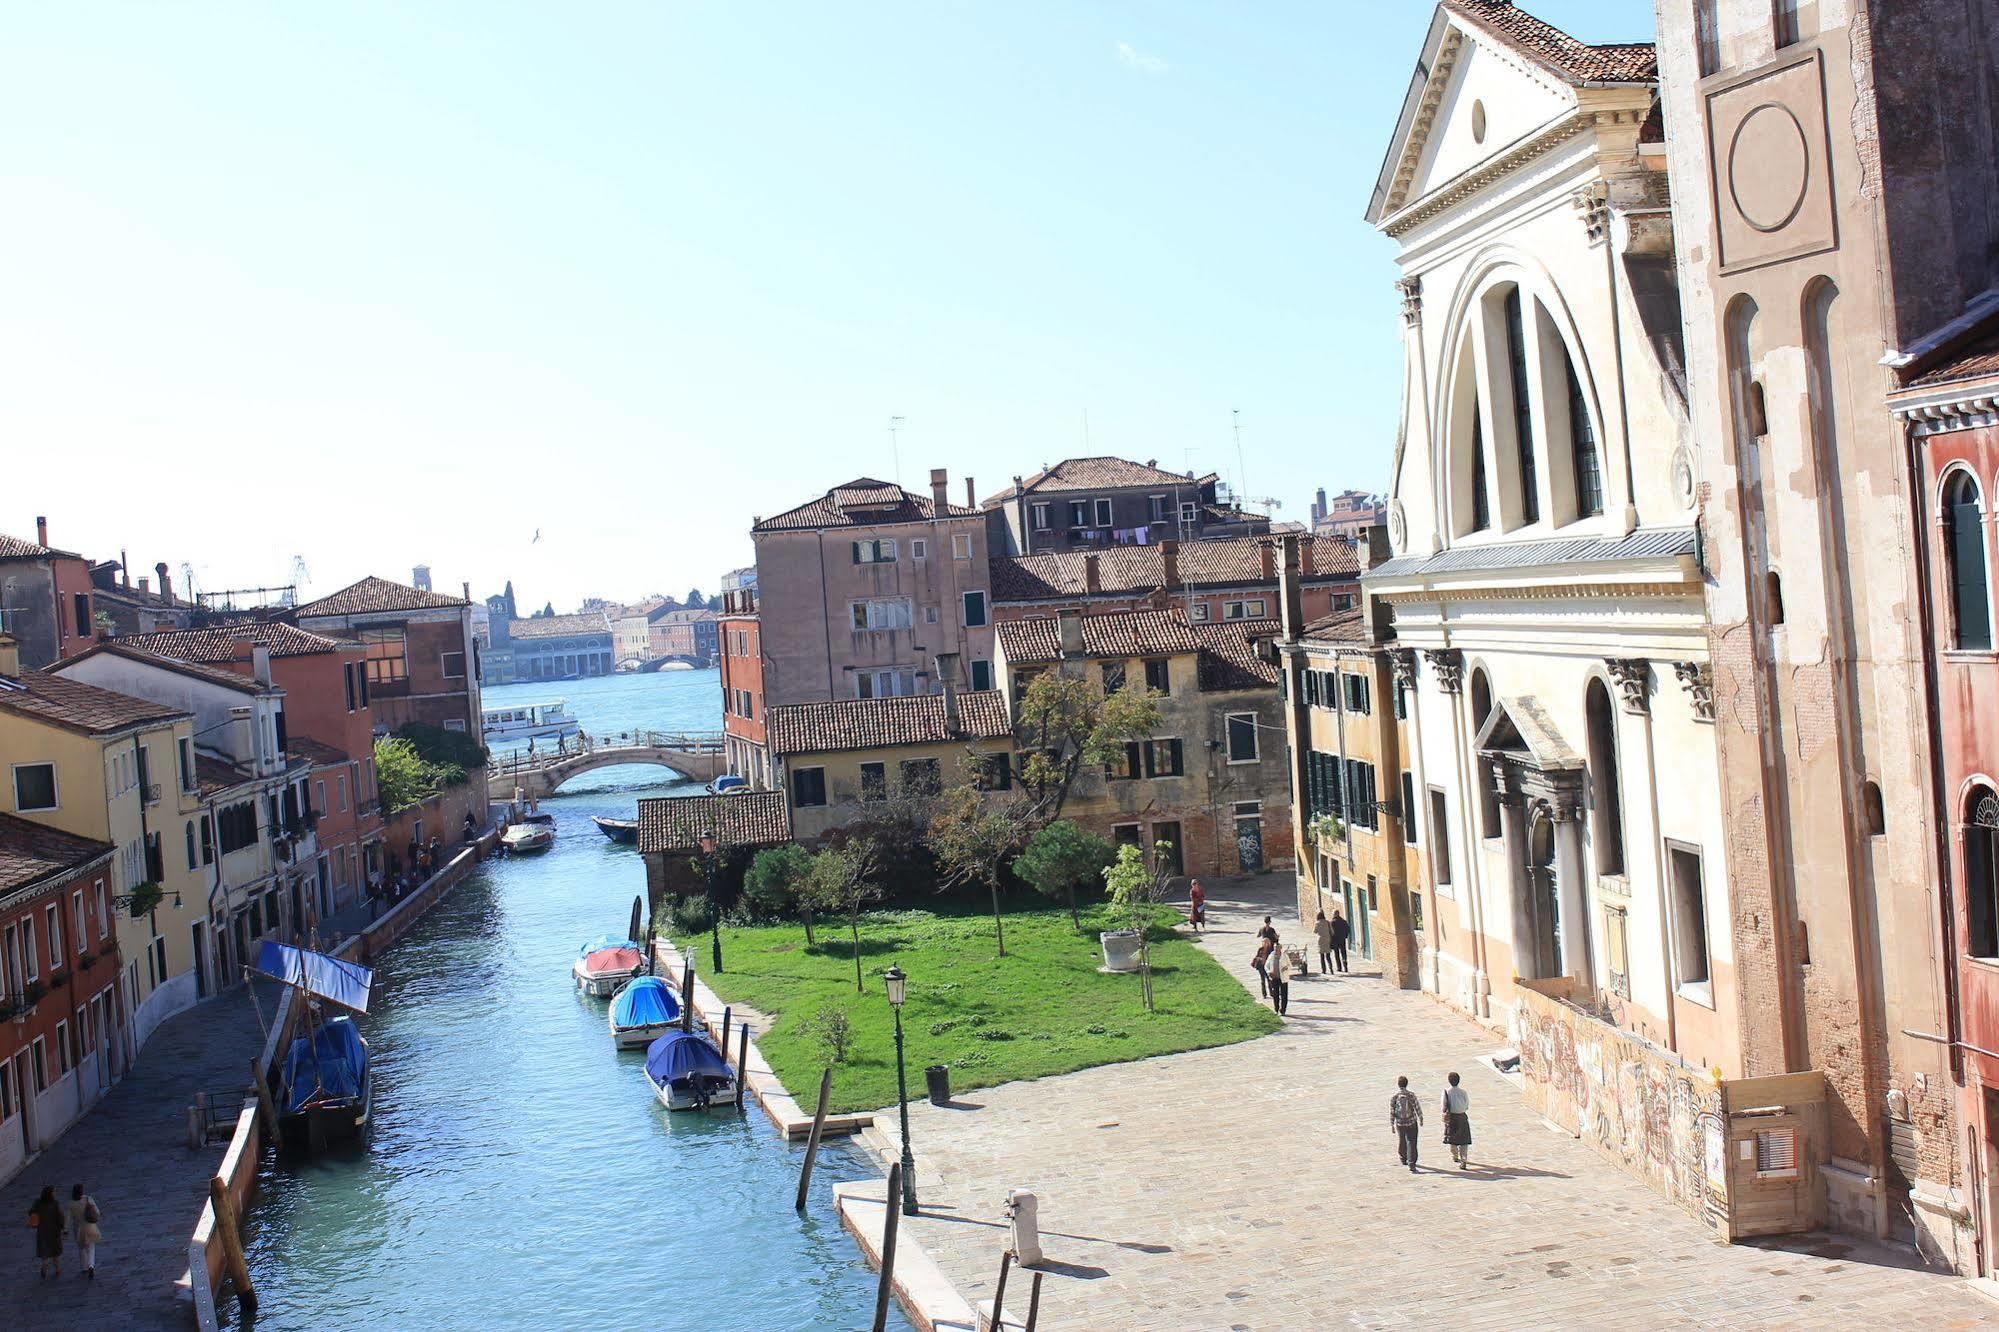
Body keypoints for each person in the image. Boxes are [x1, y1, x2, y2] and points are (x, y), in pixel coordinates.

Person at [28, 1184, 64, 1278]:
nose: (55, 1193)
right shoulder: (55, 1203)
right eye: (54, 1192)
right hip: (54, 1231)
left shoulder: (37, 1202)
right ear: (50, 1194)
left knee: (45, 1253)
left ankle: (44, 1267)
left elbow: (31, 1212)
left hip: (42, 1231)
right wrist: (62, 1227)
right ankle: (58, 1270)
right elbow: (60, 1217)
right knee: (55, 1253)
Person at [65, 1184, 100, 1278]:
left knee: (81, 1247)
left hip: (78, 1228)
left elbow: (67, 1218)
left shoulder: (70, 1203)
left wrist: (65, 1230)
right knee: (91, 1247)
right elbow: (97, 1211)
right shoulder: (88, 1199)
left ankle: (84, 1267)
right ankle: (91, 1265)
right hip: (90, 1226)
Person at [1390, 1076, 1423, 1171]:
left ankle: (1403, 1158)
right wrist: (1421, 1118)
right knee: (1412, 1141)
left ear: (1398, 1085)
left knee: (1402, 1139)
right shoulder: (1411, 1095)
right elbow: (1417, 1107)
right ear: (1406, 1084)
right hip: (1411, 1122)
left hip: (1400, 1123)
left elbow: (1392, 1111)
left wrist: (1392, 1124)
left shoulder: (1395, 1097)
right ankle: (1411, 1162)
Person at [1442, 1072, 1473, 1169]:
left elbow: (1443, 1106)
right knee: (1464, 1141)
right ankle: (1463, 1160)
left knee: (1452, 1139)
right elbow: (1467, 1105)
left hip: (1452, 1118)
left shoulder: (1446, 1092)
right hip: (1462, 1117)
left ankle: (1455, 1156)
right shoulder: (1463, 1092)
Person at [1265, 937, 1289, 1015]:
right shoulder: (1271, 956)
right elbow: (1266, 966)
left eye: (1277, 948)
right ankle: (1276, 1009)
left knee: (1284, 995)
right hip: (1274, 977)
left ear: (1280, 948)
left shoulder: (1284, 956)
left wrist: (1286, 967)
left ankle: (1283, 1010)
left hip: (1283, 978)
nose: (1276, 950)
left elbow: (1289, 965)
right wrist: (1269, 972)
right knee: (1275, 994)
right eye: (1275, 948)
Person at [1330, 909, 1352, 974]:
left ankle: (1339, 967)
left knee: (1336, 954)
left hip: (1335, 940)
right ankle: (1345, 966)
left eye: (1333, 913)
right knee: (1343, 953)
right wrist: (1345, 936)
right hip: (1342, 939)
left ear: (1335, 914)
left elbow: (1331, 932)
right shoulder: (1343, 921)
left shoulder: (1332, 922)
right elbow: (1348, 930)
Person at [1313, 910, 1335, 975]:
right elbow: (1332, 932)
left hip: (1320, 940)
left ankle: (1324, 970)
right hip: (1328, 940)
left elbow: (1314, 931)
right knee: (1328, 956)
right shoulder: (1328, 922)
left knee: (1322, 956)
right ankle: (1331, 968)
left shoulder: (1317, 923)